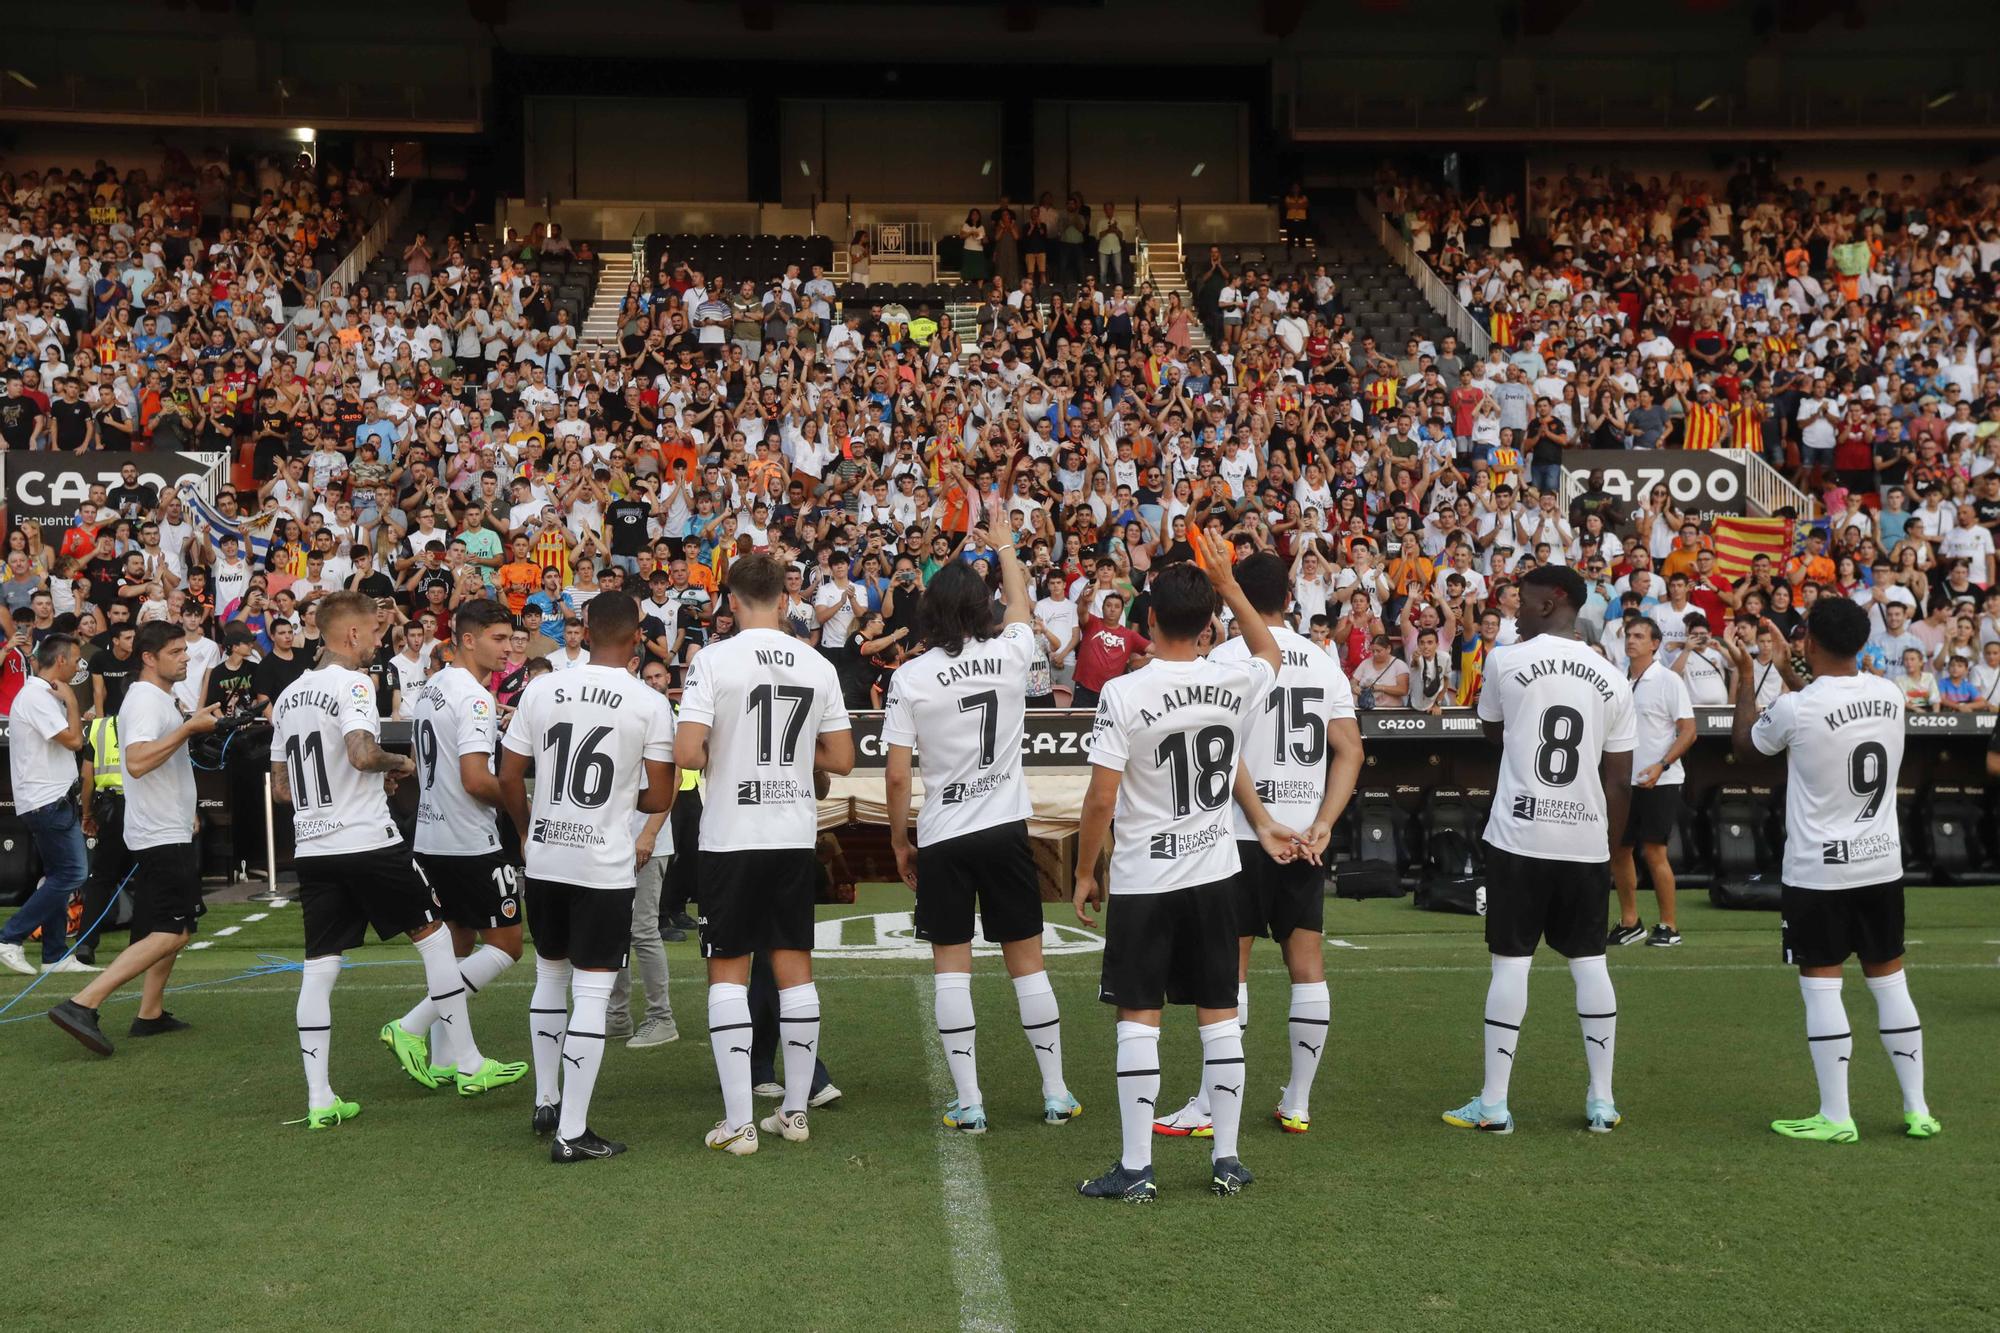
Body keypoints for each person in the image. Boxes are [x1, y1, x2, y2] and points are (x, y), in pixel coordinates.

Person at [1071, 530, 1282, 1203]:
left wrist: (1083, 872)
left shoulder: (1126, 693)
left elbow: (1101, 796)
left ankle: (1137, 1167)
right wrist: (1229, 583)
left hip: (1145, 878)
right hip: (1217, 874)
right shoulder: (1231, 677)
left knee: (1139, 1016)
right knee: (1220, 1015)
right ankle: (1226, 1157)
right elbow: (1270, 650)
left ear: (1149, 621)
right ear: (1210, 621)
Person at [1152, 552, 1364, 1140]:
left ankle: (1207, 1104)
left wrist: (1261, 817)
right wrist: (1323, 821)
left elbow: (1222, 747)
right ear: (1290, 594)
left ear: (1232, 594)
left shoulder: (1224, 655)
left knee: (1230, 972)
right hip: (1304, 834)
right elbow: (1350, 750)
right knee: (1308, 968)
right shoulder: (1323, 661)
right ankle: (1297, 1100)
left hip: (1244, 835)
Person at [883, 502, 1079, 1135]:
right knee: (1028, 960)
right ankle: (1054, 1092)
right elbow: (1021, 607)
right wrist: (1005, 549)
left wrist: (898, 842)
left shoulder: (910, 676)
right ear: (980, 606)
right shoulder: (1009, 652)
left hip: (943, 833)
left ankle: (970, 1102)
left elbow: (895, 772)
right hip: (1004, 829)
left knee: (951, 965)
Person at [1726, 603, 1939, 1143]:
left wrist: (1749, 676)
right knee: (1890, 982)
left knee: (1823, 988)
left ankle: (1836, 1116)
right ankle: (1917, 1109)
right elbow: (1825, 699)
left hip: (1819, 872)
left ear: (1811, 643)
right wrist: (1794, 664)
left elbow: (1748, 749)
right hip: (1881, 865)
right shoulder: (1889, 695)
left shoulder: (1798, 707)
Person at [266, 592, 473, 1128]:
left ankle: (319, 1099)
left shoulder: (288, 697)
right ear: (352, 634)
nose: (379, 643)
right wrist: (402, 761)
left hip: (312, 848)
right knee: (434, 936)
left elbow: (283, 788)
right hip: (365, 841)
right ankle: (468, 1061)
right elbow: (361, 754)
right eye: (375, 633)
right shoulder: (355, 684)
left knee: (319, 968)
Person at [1442, 564, 1634, 1137]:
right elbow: (1619, 781)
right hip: (1585, 842)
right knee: (1590, 962)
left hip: (1520, 836)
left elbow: (1492, 731)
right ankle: (1602, 1100)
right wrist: (1607, 847)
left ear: (1552, 601)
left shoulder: (1506, 659)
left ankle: (1495, 1104)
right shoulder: (1614, 677)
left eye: (1522, 600)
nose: (1514, 610)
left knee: (1510, 962)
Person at [675, 553, 854, 1155]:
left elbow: (688, 752)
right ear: (785, 599)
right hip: (791, 833)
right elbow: (842, 758)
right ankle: (796, 1113)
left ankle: (739, 1122)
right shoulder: (816, 662)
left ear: (730, 600)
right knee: (794, 968)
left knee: (728, 971)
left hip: (731, 835)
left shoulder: (713, 660)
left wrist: (731, 751)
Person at [499, 591, 676, 1162]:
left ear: (586, 630)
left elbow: (508, 775)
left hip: (547, 856)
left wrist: (527, 831)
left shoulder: (542, 687)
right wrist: (624, 793)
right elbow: (661, 793)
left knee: (549, 976)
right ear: (636, 636)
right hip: (602, 861)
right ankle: (571, 1132)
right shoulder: (649, 702)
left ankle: (546, 1099)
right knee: (592, 993)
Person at [48, 622, 222, 1054]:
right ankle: (82, 1003)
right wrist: (188, 729)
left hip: (167, 827)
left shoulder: (157, 697)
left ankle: (150, 1013)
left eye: (186, 650)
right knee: (173, 930)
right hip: (159, 832)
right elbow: (138, 762)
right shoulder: (145, 698)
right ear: (149, 657)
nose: (186, 657)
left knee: (176, 925)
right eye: (177, 651)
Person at [391, 598, 531, 1094]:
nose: (508, 648)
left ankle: (451, 1060)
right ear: (467, 639)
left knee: (458, 943)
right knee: (508, 946)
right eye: (498, 638)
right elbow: (476, 779)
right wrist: (521, 804)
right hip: (470, 840)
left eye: (510, 639)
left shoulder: (431, 687)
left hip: (431, 835)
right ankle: (410, 1025)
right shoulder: (473, 697)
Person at [0, 636, 93, 977]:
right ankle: (9, 937)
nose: (79, 666)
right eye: (76, 660)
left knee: (58, 877)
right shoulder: (38, 696)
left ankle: (54, 954)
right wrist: (71, 701)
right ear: (61, 661)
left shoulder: (40, 695)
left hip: (52, 800)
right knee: (72, 874)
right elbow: (73, 741)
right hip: (46, 801)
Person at [1609, 617, 1695, 949]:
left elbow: (1689, 730)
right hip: (1623, 782)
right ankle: (1631, 922)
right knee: (1619, 850)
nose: (1632, 641)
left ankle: (1669, 925)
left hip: (1661, 779)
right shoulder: (1619, 679)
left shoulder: (1668, 680)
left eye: (1639, 636)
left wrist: (1662, 765)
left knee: (1654, 851)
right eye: (1629, 635)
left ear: (1655, 643)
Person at [609, 657, 681, 1048]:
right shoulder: (631, 705)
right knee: (615, 930)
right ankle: (617, 1015)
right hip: (618, 836)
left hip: (646, 840)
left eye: (659, 676)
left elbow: (672, 780)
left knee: (642, 930)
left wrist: (650, 833)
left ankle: (661, 1016)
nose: (653, 682)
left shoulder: (658, 711)